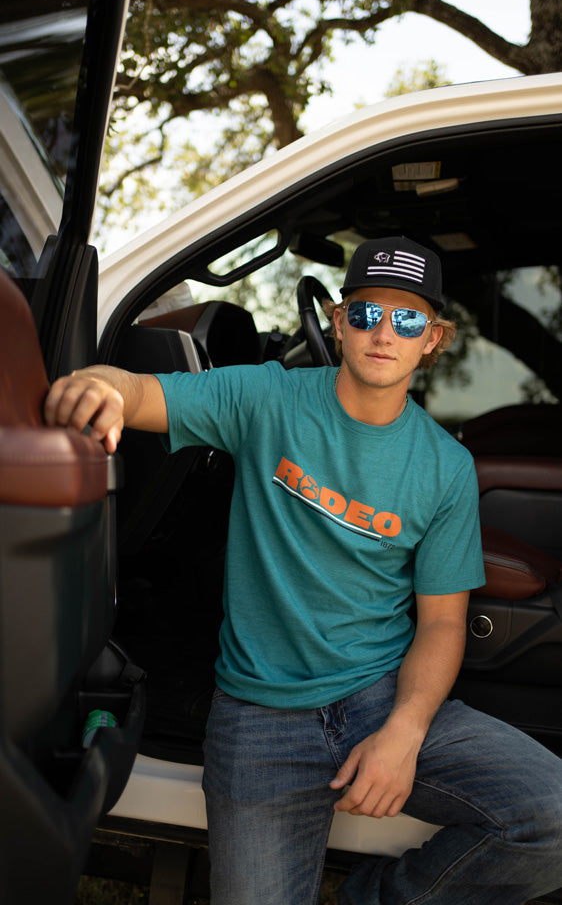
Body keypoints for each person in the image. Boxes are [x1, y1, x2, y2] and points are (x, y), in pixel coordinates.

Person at [44, 236, 562, 905]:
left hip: (380, 697)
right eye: (369, 312)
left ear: (434, 339)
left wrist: (401, 736)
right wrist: (99, 385)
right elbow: (143, 391)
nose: (384, 333)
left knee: (550, 818)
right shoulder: (268, 397)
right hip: (259, 719)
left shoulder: (444, 467)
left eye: (407, 320)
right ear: (341, 321)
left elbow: (441, 624)